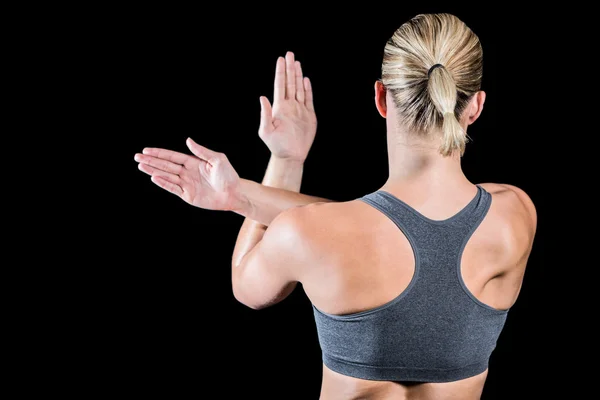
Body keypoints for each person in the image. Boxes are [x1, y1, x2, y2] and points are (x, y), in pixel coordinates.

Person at [134, 13, 536, 400]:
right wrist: (240, 193)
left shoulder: (311, 233)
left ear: (380, 96)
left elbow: (248, 285)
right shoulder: (515, 214)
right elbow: (386, 227)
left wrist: (283, 163)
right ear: (476, 105)